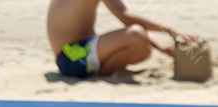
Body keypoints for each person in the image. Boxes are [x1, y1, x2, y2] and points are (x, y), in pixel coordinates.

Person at [47, 0, 192, 78]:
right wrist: (172, 31)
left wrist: (161, 47)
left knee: (143, 50)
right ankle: (101, 73)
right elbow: (126, 17)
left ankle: (101, 71)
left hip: (72, 56)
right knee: (137, 37)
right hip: (72, 56)